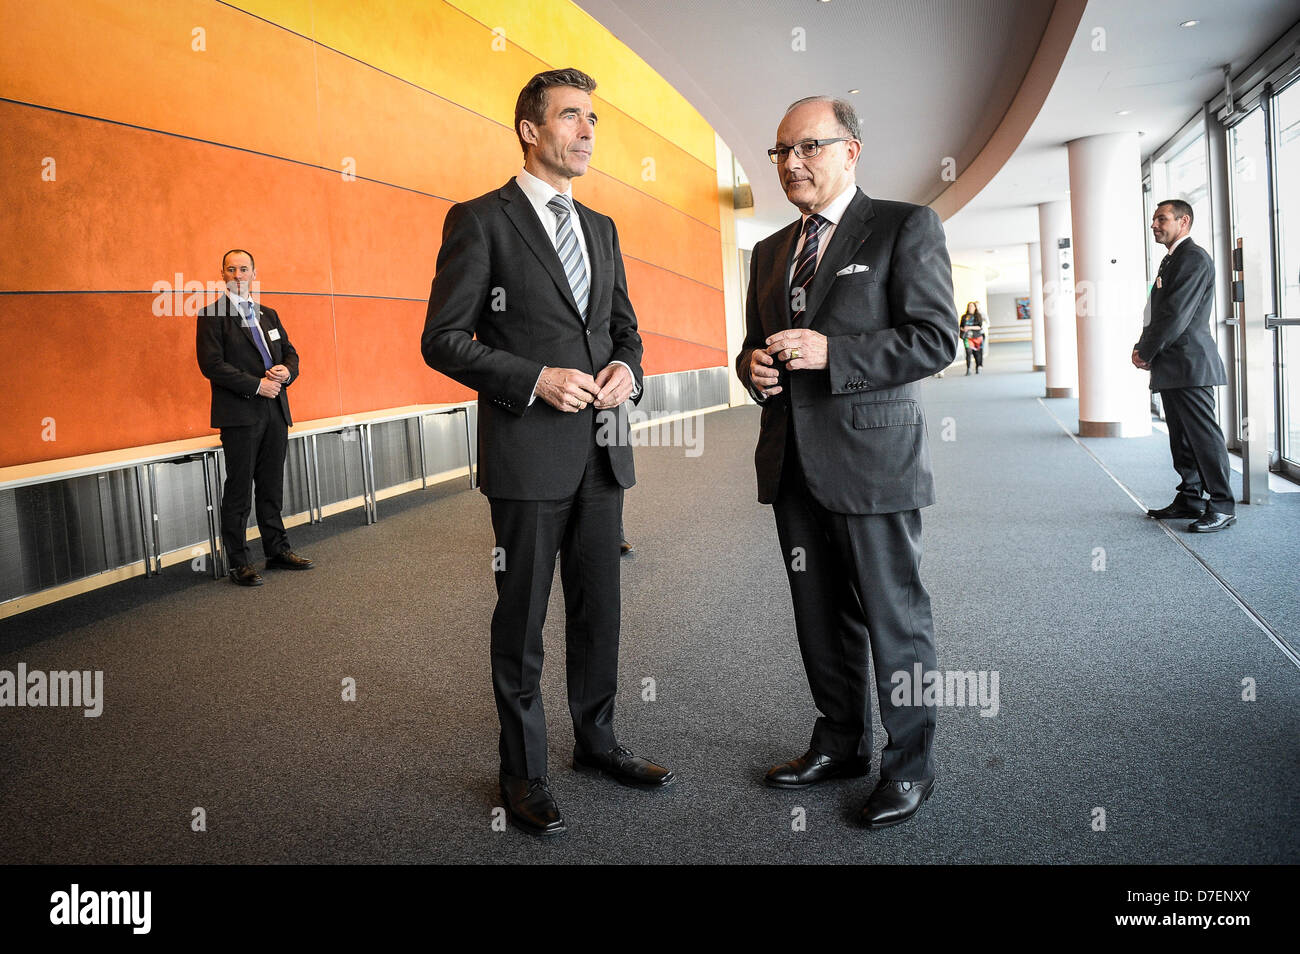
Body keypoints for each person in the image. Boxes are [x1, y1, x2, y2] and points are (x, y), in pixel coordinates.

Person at [421, 68, 673, 838]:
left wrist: (629, 367)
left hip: (602, 451)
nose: (589, 130)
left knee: (600, 612)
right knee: (523, 619)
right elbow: (443, 341)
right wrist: (534, 379)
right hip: (529, 457)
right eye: (572, 117)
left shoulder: (601, 227)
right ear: (531, 129)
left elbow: (623, 330)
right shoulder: (481, 220)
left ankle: (596, 741)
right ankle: (522, 771)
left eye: (593, 118)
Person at [737, 96, 957, 829]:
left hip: (873, 461)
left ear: (851, 150)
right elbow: (755, 344)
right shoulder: (769, 251)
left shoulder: (904, 226)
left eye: (809, 147)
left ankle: (910, 765)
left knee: (896, 618)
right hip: (794, 463)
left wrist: (837, 354)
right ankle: (840, 741)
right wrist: (753, 368)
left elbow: (934, 340)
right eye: (781, 152)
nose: (792, 163)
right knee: (820, 618)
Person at [196, 250, 314, 586]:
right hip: (241, 414)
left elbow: (291, 352)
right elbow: (212, 366)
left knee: (271, 485)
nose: (238, 274)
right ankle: (239, 562)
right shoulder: (211, 315)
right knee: (238, 490)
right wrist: (256, 386)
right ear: (222, 274)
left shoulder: (268, 314)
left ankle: (277, 550)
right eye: (231, 269)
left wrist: (286, 371)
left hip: (276, 410)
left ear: (253, 273)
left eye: (243, 269)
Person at [1132, 199, 1235, 533]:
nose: (1154, 225)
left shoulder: (1193, 258)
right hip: (1173, 365)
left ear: (1183, 221)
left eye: (1161, 218)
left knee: (1203, 437)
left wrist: (1146, 351)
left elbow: (1176, 315)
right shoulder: (1172, 259)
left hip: (1191, 364)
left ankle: (1221, 504)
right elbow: (1156, 313)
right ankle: (1190, 497)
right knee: (1182, 437)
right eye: (1153, 219)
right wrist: (1142, 346)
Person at [959, 301, 987, 374]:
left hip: (977, 337)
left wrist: (969, 327)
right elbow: (961, 327)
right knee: (968, 352)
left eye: (972, 306)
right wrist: (963, 329)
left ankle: (978, 366)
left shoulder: (978, 316)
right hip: (967, 338)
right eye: (969, 306)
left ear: (975, 308)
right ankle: (968, 369)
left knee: (977, 353)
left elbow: (979, 326)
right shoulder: (964, 317)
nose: (970, 307)